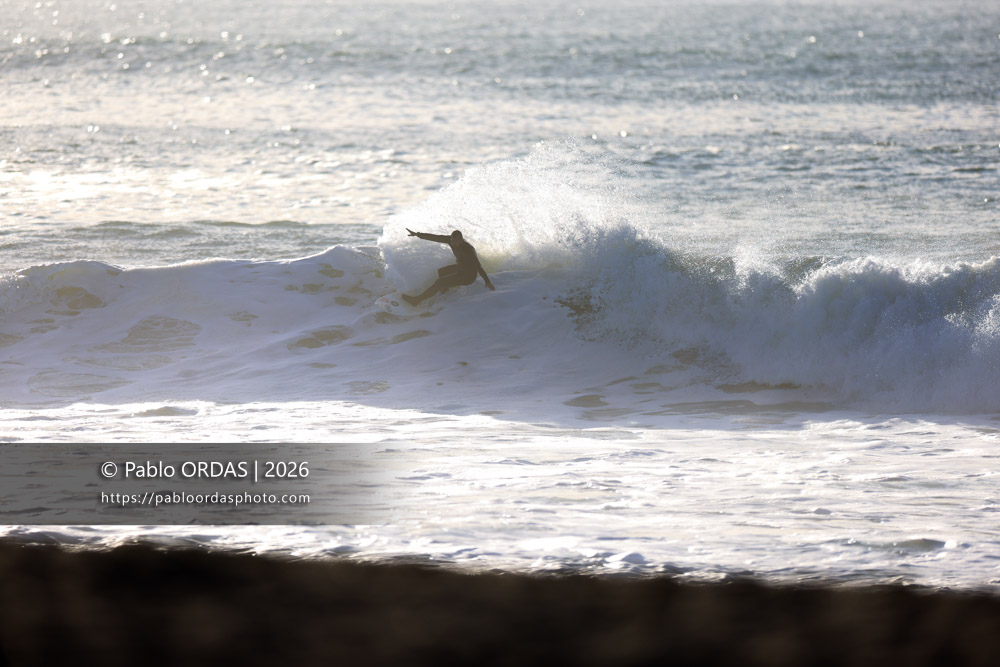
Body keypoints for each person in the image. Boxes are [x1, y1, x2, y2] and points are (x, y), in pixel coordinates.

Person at [402, 229, 495, 305]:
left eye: (455, 241)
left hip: (468, 276)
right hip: (461, 268)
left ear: (461, 239)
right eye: (452, 240)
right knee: (441, 271)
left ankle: (416, 300)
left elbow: (478, 266)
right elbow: (435, 237)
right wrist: (418, 234)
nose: (453, 243)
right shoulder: (450, 240)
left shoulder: (468, 249)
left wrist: (487, 281)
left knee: (439, 282)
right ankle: (444, 289)